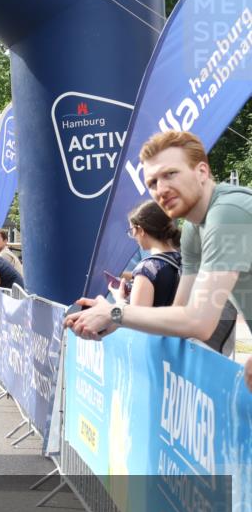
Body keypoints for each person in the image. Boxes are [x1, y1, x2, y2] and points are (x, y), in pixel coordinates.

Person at [65, 130, 251, 391]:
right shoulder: (193, 231)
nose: (161, 189)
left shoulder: (227, 213)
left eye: (170, 174)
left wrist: (116, 312)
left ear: (202, 171)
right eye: (152, 183)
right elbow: (180, 313)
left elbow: (199, 323)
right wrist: (113, 318)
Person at [112, 200, 182, 308]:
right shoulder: (182, 260)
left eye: (132, 230)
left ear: (141, 230)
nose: (133, 236)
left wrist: (120, 301)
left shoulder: (146, 269)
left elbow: (135, 320)